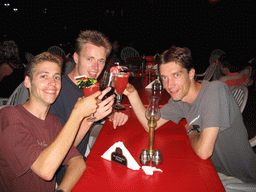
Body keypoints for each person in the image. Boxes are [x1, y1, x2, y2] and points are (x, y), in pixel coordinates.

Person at [123, 46, 256, 183]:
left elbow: (204, 152)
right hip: (210, 171)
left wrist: (191, 131)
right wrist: (133, 94)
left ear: (191, 74)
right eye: (164, 78)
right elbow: (149, 124)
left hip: (239, 179)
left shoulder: (215, 91)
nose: (169, 85)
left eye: (176, 75)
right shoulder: (180, 100)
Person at [0, 52, 101, 191]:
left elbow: (77, 163)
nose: (52, 83)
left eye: (57, 77)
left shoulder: (53, 121)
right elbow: (45, 170)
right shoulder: (9, 116)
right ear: (27, 82)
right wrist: (77, 114)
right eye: (44, 76)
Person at [49, 30, 128, 184]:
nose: (95, 67)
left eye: (101, 60)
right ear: (76, 58)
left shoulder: (88, 84)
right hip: (66, 172)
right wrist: (91, 119)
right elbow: (59, 153)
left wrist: (112, 114)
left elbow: (100, 110)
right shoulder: (56, 91)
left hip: (85, 158)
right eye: (89, 59)